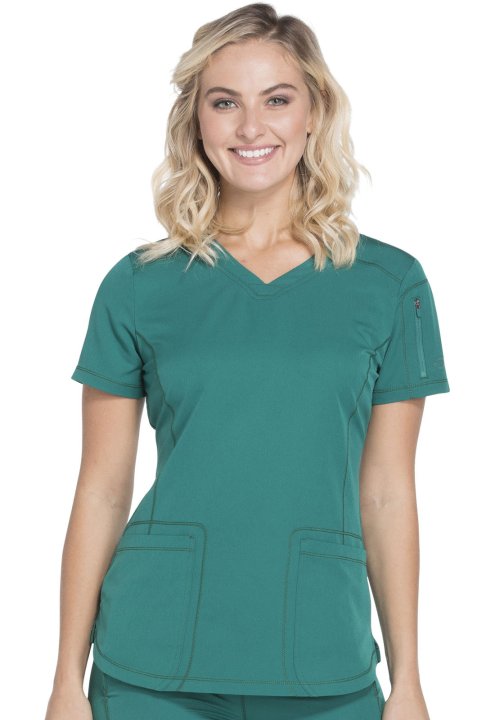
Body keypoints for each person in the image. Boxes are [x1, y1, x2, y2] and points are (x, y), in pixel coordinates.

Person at [44, 3, 451, 720]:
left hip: (323, 662)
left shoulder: (389, 285)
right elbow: (102, 489)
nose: (251, 127)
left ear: (314, 113)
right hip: (150, 665)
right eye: (225, 102)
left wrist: (409, 681)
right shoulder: (140, 284)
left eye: (277, 100)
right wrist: (64, 682)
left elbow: (387, 493)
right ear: (196, 120)